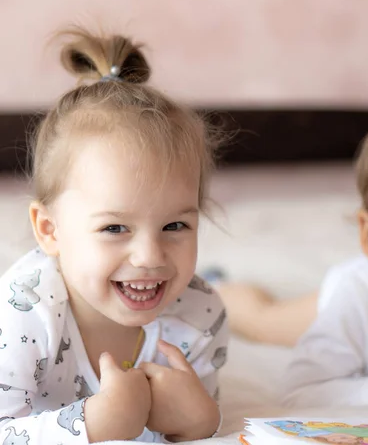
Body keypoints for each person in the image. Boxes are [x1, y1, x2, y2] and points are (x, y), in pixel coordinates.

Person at [0, 27, 228, 443]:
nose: (149, 255)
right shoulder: (22, 315)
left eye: (175, 225)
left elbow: (194, 424)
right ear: (49, 230)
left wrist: (201, 423)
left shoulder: (200, 314)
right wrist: (92, 426)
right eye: (115, 228)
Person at [280, 110, 368, 406]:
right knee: (265, 320)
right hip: (356, 300)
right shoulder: (356, 298)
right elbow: (300, 395)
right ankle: (226, 289)